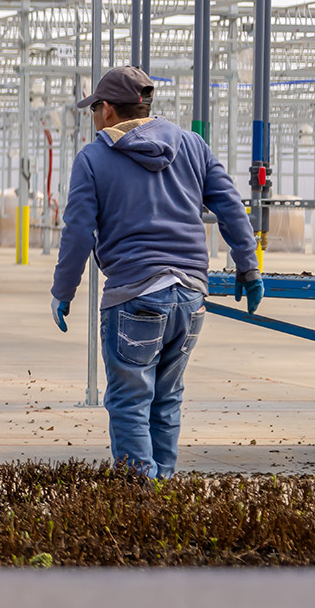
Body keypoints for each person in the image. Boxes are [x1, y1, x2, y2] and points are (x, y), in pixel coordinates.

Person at [50, 66, 262, 480]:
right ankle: (162, 498)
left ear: (108, 110)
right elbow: (231, 207)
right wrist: (249, 268)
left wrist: (64, 290)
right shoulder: (193, 146)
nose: (94, 116)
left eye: (95, 108)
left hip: (134, 295)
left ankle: (138, 501)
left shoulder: (93, 158)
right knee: (166, 400)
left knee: (130, 403)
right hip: (190, 298)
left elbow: (77, 231)